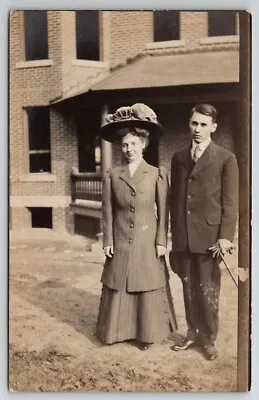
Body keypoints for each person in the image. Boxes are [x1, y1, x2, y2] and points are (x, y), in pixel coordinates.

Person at [96, 103, 177, 350]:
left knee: (145, 281)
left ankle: (147, 334)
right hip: (119, 238)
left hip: (147, 239)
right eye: (124, 145)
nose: (129, 149)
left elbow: (164, 211)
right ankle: (116, 332)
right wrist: (108, 240)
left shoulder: (156, 174)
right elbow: (107, 209)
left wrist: (162, 241)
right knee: (119, 281)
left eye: (133, 144)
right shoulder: (112, 174)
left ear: (143, 144)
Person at [170, 104, 238, 360]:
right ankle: (191, 332)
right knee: (188, 288)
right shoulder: (178, 158)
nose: (198, 129)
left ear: (214, 128)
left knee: (208, 289)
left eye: (203, 125)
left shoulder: (225, 158)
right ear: (189, 124)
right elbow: (175, 199)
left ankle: (208, 339)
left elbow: (231, 203)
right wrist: (173, 234)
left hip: (210, 238)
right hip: (183, 235)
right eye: (194, 124)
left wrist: (225, 237)